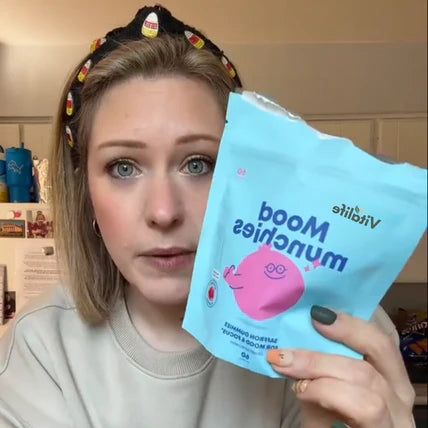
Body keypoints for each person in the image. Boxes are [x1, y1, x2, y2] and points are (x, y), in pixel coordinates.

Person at [0, 5, 415, 428]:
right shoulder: (39, 352)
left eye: (198, 164)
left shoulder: (329, 334)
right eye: (123, 167)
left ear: (242, 177)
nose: (164, 212)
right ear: (86, 194)